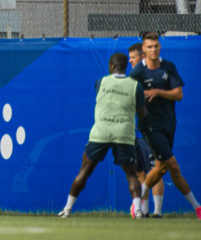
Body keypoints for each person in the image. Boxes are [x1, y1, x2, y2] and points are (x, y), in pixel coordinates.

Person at [130, 32, 201, 220]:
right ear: (144, 49)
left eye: (156, 46)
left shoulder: (168, 66)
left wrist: (158, 92)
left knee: (160, 168)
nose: (153, 50)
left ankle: (138, 203)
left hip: (169, 124)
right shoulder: (137, 73)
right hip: (149, 126)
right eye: (149, 47)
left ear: (160, 46)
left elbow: (178, 95)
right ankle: (198, 208)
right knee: (173, 166)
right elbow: (129, 97)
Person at [58, 52, 147, 218]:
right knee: (131, 174)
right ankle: (138, 211)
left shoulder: (100, 82)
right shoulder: (136, 86)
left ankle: (67, 209)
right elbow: (142, 114)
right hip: (124, 133)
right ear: (125, 66)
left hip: (101, 132)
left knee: (84, 171)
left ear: (112, 66)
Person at [128, 42, 165, 217]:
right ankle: (144, 210)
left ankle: (157, 212)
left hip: (151, 133)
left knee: (155, 171)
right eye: (129, 58)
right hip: (135, 134)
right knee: (140, 172)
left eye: (133, 58)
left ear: (142, 57)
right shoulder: (132, 79)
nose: (130, 61)